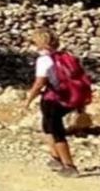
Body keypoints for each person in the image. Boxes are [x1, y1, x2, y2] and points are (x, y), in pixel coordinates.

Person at [24, 28, 90, 177]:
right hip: (68, 96)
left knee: (56, 130)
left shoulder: (43, 60)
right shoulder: (65, 56)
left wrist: (29, 99)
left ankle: (69, 165)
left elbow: (40, 82)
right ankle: (55, 158)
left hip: (52, 98)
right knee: (47, 126)